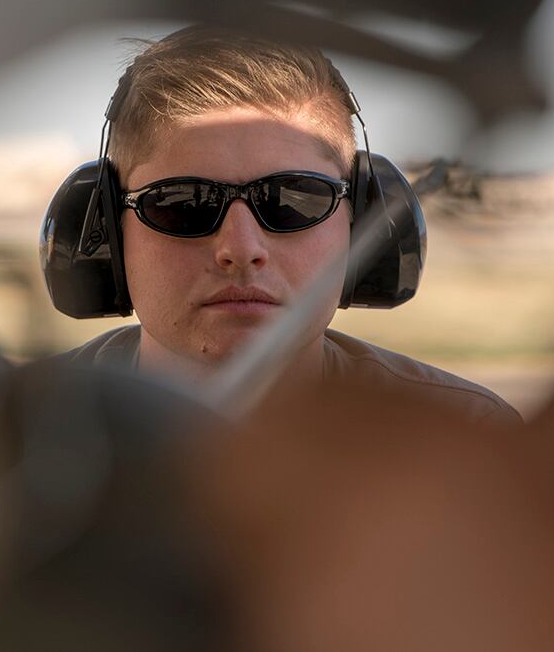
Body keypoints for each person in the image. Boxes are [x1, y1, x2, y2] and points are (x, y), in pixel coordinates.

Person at [46, 25, 520, 427]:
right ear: (107, 229)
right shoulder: (3, 441)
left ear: (361, 220)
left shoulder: (467, 440)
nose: (241, 248)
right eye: (181, 204)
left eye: (293, 200)